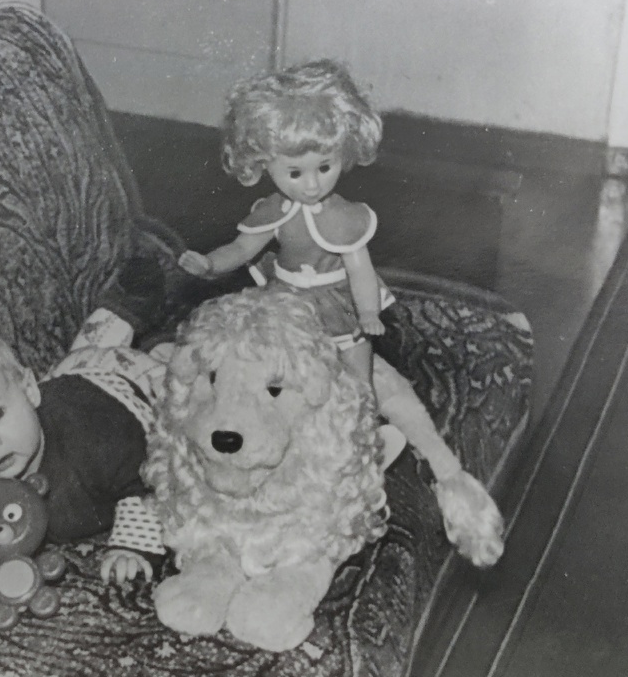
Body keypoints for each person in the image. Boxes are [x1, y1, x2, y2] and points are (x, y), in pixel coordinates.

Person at [178, 59, 505, 567]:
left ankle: (360, 439)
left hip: (334, 307)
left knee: (358, 383)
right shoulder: (274, 212)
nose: (311, 184)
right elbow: (241, 250)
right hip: (283, 305)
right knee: (267, 377)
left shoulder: (345, 218)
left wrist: (368, 314)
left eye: (324, 167)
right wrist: (209, 264)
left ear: (344, 155)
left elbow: (359, 269)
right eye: (294, 172)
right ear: (263, 163)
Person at [0, 302, 169, 586]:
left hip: (123, 383)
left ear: (29, 391)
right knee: (85, 349)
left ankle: (135, 318)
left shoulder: (94, 441)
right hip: (60, 379)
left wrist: (132, 547)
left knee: (178, 390)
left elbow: (151, 476)